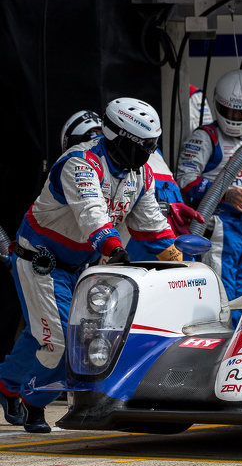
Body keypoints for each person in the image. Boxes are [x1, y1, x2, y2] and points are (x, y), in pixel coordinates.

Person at [0, 98, 181, 433]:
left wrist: (178, 258)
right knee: (62, 342)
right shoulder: (80, 163)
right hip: (41, 260)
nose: (146, 153)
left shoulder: (139, 174)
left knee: (42, 335)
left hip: (82, 267)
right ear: (117, 136)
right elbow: (91, 213)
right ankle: (32, 401)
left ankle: (7, 385)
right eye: (140, 145)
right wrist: (113, 248)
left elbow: (150, 223)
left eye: (152, 145)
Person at [176, 69, 242, 322]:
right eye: (229, 111)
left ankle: (237, 336)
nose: (234, 118)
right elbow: (185, 180)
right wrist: (225, 194)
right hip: (217, 222)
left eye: (241, 113)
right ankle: (219, 340)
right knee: (220, 288)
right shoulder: (204, 137)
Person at [60, 110, 204, 258]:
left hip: (148, 214)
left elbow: (96, 218)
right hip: (168, 207)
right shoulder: (81, 160)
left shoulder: (131, 164)